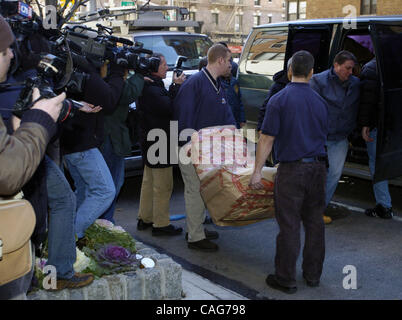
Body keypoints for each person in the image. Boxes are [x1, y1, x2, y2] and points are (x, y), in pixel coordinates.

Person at [0, 15, 94, 298]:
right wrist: (37, 121)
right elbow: (8, 173)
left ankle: (49, 269)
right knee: (54, 202)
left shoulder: (22, 72)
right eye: (6, 51)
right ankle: (52, 272)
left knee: (60, 199)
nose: (12, 55)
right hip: (20, 154)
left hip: (24, 146)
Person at [250, 50, 328, 294]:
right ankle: (313, 275)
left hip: (292, 170)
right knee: (315, 223)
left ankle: (285, 278)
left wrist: (256, 172)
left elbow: (266, 139)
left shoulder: (279, 100)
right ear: (312, 72)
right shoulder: (320, 101)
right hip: (318, 168)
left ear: (290, 70)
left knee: (290, 224)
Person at [173, 43, 236, 252]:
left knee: (204, 190)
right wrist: (188, 144)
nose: (231, 65)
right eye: (229, 60)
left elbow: (225, 116)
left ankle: (196, 227)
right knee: (195, 190)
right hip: (191, 148)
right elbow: (183, 114)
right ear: (220, 60)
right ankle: (195, 237)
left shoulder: (217, 84)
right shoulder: (195, 84)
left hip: (208, 149)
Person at [60, 57, 126, 241]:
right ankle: (70, 237)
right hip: (82, 145)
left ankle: (65, 238)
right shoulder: (84, 68)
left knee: (82, 191)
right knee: (104, 191)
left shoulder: (70, 66)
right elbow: (109, 98)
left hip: (72, 144)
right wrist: (118, 72)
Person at [136, 53, 186, 236]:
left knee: (149, 182)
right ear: (154, 66)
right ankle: (161, 224)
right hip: (160, 141)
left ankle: (145, 217)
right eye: (164, 64)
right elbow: (170, 108)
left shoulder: (149, 85)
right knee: (163, 185)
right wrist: (176, 87)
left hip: (152, 140)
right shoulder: (152, 89)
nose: (167, 67)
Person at [310, 50, 360, 223]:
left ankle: (319, 210)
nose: (350, 72)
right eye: (347, 68)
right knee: (314, 175)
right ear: (336, 65)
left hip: (340, 138)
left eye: (352, 69)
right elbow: (310, 110)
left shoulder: (356, 84)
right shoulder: (318, 81)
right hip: (319, 137)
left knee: (334, 175)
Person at [100, 70, 145, 223]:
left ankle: (105, 222)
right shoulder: (111, 77)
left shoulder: (110, 76)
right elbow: (125, 94)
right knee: (110, 184)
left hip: (111, 135)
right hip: (109, 136)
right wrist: (138, 76)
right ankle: (105, 223)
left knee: (110, 183)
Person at [358, 57, 393, 219]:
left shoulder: (371, 68)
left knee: (376, 163)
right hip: (394, 126)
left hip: (377, 126)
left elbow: (367, 102)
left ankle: (384, 206)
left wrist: (365, 125)